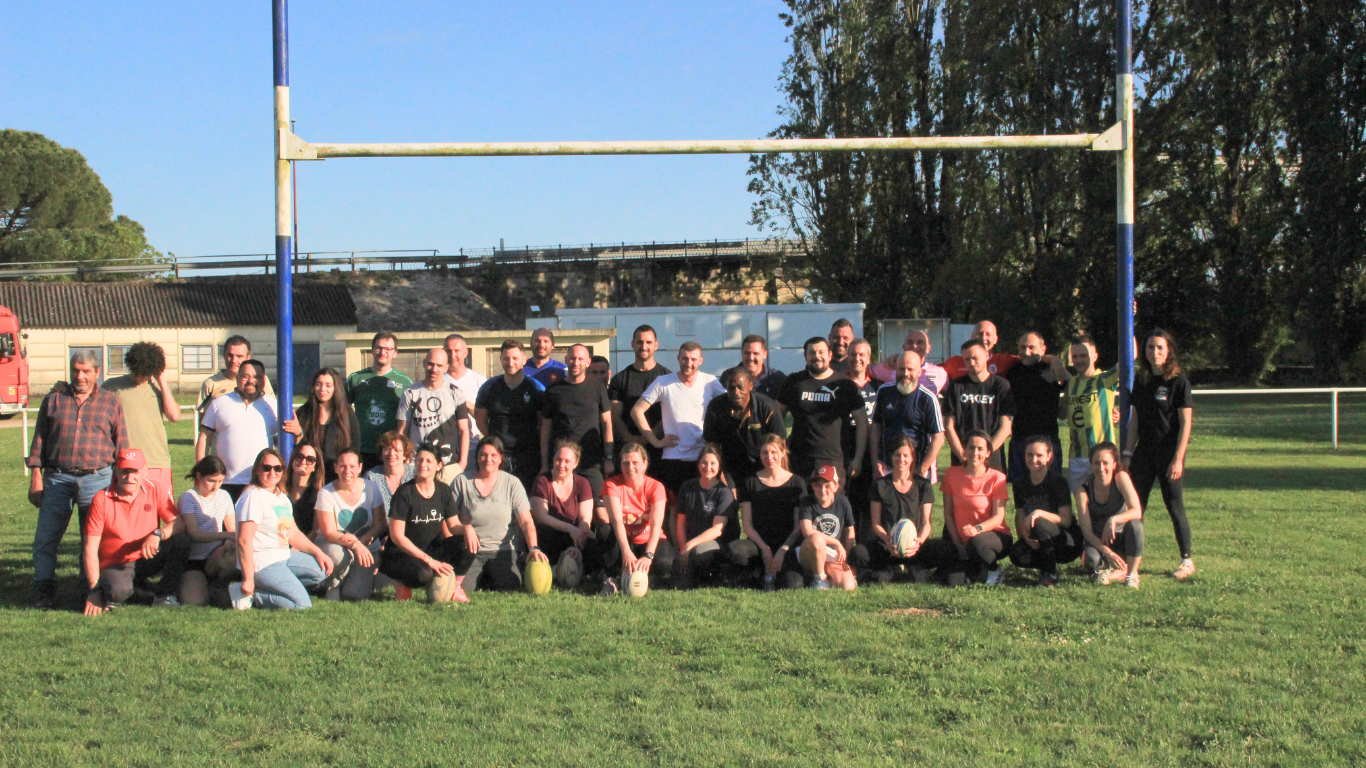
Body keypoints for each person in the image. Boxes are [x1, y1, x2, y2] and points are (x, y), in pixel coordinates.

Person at [27, 349, 129, 609]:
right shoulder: (53, 400)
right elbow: (39, 440)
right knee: (46, 538)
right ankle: (44, 590)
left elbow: (122, 445)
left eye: (86, 371)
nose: (80, 376)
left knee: (93, 540)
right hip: (57, 479)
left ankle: (89, 589)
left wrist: (121, 483)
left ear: (97, 373)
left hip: (98, 480)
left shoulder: (111, 402)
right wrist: (35, 477)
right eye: (75, 370)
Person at [81, 448, 191, 614]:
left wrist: (158, 534)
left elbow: (178, 523)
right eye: (125, 471)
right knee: (117, 594)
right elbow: (90, 548)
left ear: (145, 471)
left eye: (135, 472)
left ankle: (165, 594)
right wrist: (94, 591)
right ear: (116, 471)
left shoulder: (156, 489)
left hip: (146, 557)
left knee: (181, 541)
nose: (130, 478)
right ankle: (137, 592)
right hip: (116, 563)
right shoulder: (101, 499)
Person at [1125, 329, 1195, 579]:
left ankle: (1186, 560)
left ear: (1169, 351)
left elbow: (1185, 424)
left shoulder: (1178, 381)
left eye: (1160, 348)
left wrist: (1178, 458)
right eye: (1150, 348)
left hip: (1168, 454)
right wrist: (1127, 452)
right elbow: (1134, 421)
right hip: (1144, 452)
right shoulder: (1141, 381)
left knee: (1174, 506)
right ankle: (1130, 560)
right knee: (1136, 506)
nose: (1154, 352)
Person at [229, 448, 333, 610]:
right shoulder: (253, 496)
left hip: (283, 556)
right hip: (262, 563)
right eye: (267, 468)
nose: (272, 472)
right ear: (257, 470)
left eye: (278, 468)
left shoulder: (280, 496)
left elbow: (292, 533)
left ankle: (274, 585)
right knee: (301, 605)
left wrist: (318, 552)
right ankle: (253, 593)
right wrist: (248, 579)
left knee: (321, 572)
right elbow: (244, 541)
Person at [379, 444, 473, 603]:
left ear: (439, 465)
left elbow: (454, 526)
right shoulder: (404, 493)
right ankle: (402, 584)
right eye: (419, 460)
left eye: (429, 461)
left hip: (430, 549)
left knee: (470, 541)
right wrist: (429, 561)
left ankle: (455, 587)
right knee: (425, 574)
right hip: (401, 554)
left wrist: (467, 528)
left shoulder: (443, 490)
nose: (423, 464)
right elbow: (397, 537)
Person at [630, 342, 724, 498]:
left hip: (701, 458)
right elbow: (636, 411)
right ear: (678, 358)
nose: (689, 363)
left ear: (700, 361)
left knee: (702, 507)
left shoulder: (711, 382)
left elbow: (729, 406)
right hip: (673, 457)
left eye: (693, 359)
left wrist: (715, 440)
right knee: (675, 508)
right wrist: (655, 441)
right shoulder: (663, 382)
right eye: (685, 358)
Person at [450, 437, 544, 592]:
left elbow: (526, 521)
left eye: (494, 455)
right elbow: (449, 520)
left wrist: (533, 547)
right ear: (477, 457)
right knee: (462, 588)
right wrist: (460, 535)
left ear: (501, 458)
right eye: (483, 454)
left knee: (510, 586)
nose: (488, 459)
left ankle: (491, 574)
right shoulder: (462, 481)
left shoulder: (512, 483)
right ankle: (479, 575)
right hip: (472, 551)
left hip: (504, 550)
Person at [776, 337, 868, 484]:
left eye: (821, 352)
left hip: (835, 460)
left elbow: (862, 422)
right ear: (805, 356)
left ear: (829, 355)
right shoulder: (793, 382)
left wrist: (858, 458)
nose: (817, 356)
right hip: (799, 460)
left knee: (833, 506)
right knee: (800, 505)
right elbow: (777, 416)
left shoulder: (845, 385)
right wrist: (780, 450)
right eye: (812, 353)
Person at [862, 437, 952, 582]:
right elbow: (876, 524)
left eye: (906, 455)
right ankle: (892, 570)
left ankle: (916, 569)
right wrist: (887, 541)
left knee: (946, 549)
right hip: (888, 547)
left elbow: (926, 523)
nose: (901, 459)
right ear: (891, 457)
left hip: (915, 547)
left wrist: (919, 542)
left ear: (912, 458)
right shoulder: (880, 485)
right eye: (897, 455)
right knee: (858, 553)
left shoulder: (923, 485)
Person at [102, 341, 181, 498]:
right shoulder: (113, 387)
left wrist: (161, 380)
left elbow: (174, 416)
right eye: (137, 371)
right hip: (126, 462)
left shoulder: (158, 390)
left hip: (157, 462)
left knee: (165, 514)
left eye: (145, 372)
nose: (140, 376)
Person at [540, 343, 615, 506]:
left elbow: (607, 423)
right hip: (562, 463)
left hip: (592, 462)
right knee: (563, 509)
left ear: (588, 362)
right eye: (572, 358)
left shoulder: (598, 388)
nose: (576, 362)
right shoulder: (553, 391)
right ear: (566, 359)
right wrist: (545, 464)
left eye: (581, 359)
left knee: (599, 510)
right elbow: (545, 429)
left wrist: (608, 457)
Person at [197, 359, 278, 501]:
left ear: (264, 380)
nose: (251, 381)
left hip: (262, 484)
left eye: (257, 377)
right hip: (225, 483)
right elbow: (204, 438)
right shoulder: (219, 403)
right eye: (245, 376)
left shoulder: (274, 406)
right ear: (238, 378)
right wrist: (200, 472)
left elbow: (290, 438)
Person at [312, 449, 386, 601]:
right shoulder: (326, 493)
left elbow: (380, 524)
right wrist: (355, 545)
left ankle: (345, 580)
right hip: (334, 545)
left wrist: (361, 543)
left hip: (366, 548)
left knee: (355, 595)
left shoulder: (371, 488)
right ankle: (332, 584)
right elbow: (329, 532)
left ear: (360, 467)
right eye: (343, 466)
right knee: (336, 554)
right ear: (335, 468)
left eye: (352, 466)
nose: (347, 471)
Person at [1007, 436, 1081, 586]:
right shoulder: (1020, 483)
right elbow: (1020, 514)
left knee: (1039, 522)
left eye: (1039, 455)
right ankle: (1046, 566)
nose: (1034, 459)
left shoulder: (1058, 482)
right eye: (1029, 455)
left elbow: (1066, 520)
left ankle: (1050, 574)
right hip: (1038, 538)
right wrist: (1024, 537)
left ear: (1049, 456)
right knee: (1016, 554)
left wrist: (1039, 513)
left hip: (1065, 540)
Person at [600, 442, 672, 594]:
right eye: (626, 463)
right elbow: (617, 522)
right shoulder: (611, 484)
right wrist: (626, 551)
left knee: (665, 562)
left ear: (645, 464)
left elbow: (656, 525)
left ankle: (647, 577)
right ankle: (611, 578)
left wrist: (648, 555)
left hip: (647, 540)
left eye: (635, 463)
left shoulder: (656, 487)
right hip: (624, 541)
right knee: (604, 530)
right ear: (620, 465)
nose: (630, 467)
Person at [941, 430, 1012, 585]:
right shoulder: (951, 474)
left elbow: (998, 517)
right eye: (971, 447)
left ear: (987, 453)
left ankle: (994, 570)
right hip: (963, 539)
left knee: (977, 543)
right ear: (964, 450)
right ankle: (977, 569)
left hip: (994, 536)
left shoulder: (997, 478)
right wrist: (958, 544)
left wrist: (977, 529)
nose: (975, 452)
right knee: (954, 581)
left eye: (980, 449)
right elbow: (948, 513)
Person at [737, 435, 807, 591]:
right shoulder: (750, 482)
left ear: (783, 453)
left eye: (774, 452)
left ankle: (774, 573)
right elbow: (747, 524)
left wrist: (782, 550)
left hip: (787, 545)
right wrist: (764, 549)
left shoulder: (797, 483)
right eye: (765, 452)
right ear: (759, 454)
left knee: (792, 585)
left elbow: (798, 527)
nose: (769, 457)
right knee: (737, 552)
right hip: (759, 544)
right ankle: (761, 572)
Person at [475, 340, 546, 490]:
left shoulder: (536, 388)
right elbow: (480, 420)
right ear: (500, 359)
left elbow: (543, 423)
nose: (510, 362)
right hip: (498, 457)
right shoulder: (489, 388)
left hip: (528, 456)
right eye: (506, 358)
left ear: (524, 360)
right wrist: (495, 441)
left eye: (515, 358)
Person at [529, 441, 603, 582]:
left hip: (576, 536)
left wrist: (577, 545)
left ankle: (580, 568)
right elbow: (540, 515)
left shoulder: (582, 483)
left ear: (575, 463)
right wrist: (570, 529)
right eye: (558, 460)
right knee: (541, 531)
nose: (561, 465)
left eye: (567, 461)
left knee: (594, 542)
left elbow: (585, 519)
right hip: (553, 534)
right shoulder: (542, 481)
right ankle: (551, 569)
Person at [396, 348, 470, 484]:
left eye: (439, 365)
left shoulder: (456, 393)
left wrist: (462, 463)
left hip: (449, 465)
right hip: (417, 464)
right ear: (424, 363)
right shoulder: (410, 393)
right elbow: (402, 431)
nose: (434, 369)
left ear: (446, 367)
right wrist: (404, 458)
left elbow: (463, 430)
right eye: (430, 364)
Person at [871, 350, 944, 483]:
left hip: (916, 469)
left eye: (910, 369)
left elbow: (938, 438)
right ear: (896, 370)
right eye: (901, 369)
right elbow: (875, 427)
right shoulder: (884, 392)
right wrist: (876, 460)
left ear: (919, 372)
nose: (905, 374)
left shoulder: (927, 399)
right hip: (887, 467)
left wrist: (923, 468)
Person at [702, 368, 786, 483]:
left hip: (762, 469)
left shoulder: (767, 407)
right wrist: (719, 477)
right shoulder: (716, 407)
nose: (736, 392)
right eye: (731, 387)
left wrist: (779, 478)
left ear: (750, 385)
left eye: (740, 387)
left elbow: (780, 445)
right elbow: (711, 446)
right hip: (729, 471)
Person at [1078, 442, 1144, 589]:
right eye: (1096, 463)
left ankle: (1131, 574)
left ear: (1114, 464)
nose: (1101, 468)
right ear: (1091, 465)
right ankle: (1108, 569)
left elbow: (1137, 511)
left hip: (1120, 538)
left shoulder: (1121, 478)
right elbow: (1087, 532)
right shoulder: (1083, 490)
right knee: (1090, 560)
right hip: (1098, 542)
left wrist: (1114, 519)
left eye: (1105, 463)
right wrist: (1108, 553)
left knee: (1135, 525)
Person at [942, 339, 1015, 471]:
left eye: (975, 358)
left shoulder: (1001, 386)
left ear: (986, 355)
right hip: (962, 459)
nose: (971, 363)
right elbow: (948, 426)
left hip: (992, 458)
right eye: (967, 359)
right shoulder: (956, 386)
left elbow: (1006, 427)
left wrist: (985, 454)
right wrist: (963, 455)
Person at [1063, 334, 1121, 500]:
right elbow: (1064, 412)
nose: (1079, 360)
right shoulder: (1071, 383)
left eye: (1083, 355)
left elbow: (1128, 359)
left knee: (1105, 500)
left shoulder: (1104, 379)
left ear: (1095, 356)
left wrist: (1129, 317)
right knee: (1082, 503)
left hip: (1104, 454)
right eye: (1075, 356)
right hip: (1077, 456)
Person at [176, 455, 238, 607]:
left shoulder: (224, 496)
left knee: (234, 554)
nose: (216, 486)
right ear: (199, 476)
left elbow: (232, 529)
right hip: (194, 559)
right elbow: (194, 533)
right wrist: (226, 535)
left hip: (216, 554)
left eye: (220, 481)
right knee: (196, 602)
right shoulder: (188, 498)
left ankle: (221, 585)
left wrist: (229, 542)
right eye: (211, 481)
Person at [345, 331, 412, 471]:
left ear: (395, 353)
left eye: (388, 349)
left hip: (390, 452)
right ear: (372, 350)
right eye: (379, 348)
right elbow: (340, 409)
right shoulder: (355, 379)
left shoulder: (405, 382)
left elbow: (409, 420)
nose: (383, 352)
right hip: (361, 449)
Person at [673, 444, 738, 588]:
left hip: (714, 542)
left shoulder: (724, 492)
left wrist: (690, 545)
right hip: (689, 543)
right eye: (704, 462)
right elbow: (680, 523)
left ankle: (715, 575)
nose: (708, 467)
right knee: (678, 582)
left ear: (719, 465)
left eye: (713, 463)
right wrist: (683, 547)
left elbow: (717, 530)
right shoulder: (687, 487)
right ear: (698, 464)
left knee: (699, 554)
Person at [1005, 332, 1066, 481]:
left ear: (1043, 349)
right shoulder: (1012, 371)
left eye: (1032, 347)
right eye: (1022, 347)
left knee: (1052, 485)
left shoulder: (1052, 370)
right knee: (1019, 487)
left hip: (1047, 437)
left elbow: (1074, 387)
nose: (1026, 352)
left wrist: (1055, 361)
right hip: (1020, 437)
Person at [282, 368, 361, 483]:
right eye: (318, 384)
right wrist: (299, 434)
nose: (322, 389)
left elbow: (355, 447)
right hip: (309, 478)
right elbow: (295, 449)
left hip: (337, 478)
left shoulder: (347, 415)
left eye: (328, 385)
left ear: (335, 388)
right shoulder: (304, 413)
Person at [609, 325, 671, 469]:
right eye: (639, 342)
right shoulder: (620, 379)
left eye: (648, 342)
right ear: (632, 344)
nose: (644, 346)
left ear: (656, 345)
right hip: (628, 451)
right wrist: (632, 440)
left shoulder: (668, 378)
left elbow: (670, 414)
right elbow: (615, 417)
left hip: (660, 449)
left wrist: (647, 439)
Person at [795, 464, 858, 590]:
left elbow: (850, 530)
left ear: (836, 486)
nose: (822, 490)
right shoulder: (807, 502)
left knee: (848, 586)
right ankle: (820, 580)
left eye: (827, 485)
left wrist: (846, 556)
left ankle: (831, 577)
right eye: (817, 485)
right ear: (812, 486)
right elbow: (807, 531)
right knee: (816, 539)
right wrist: (836, 542)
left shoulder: (843, 502)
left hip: (832, 553)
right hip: (810, 550)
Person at [841, 338, 881, 536]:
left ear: (869, 357)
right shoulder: (839, 383)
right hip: (844, 446)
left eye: (861, 354)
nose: (857, 358)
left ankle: (866, 548)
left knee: (869, 499)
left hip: (870, 449)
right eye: (853, 354)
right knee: (846, 498)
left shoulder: (878, 385)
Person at [445, 334, 488, 474]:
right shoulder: (438, 380)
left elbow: (488, 418)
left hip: (472, 449)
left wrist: (466, 406)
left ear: (465, 353)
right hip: (445, 450)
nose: (453, 355)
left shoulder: (480, 382)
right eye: (448, 351)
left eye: (456, 351)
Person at [198, 335, 274, 413]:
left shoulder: (261, 380)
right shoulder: (210, 383)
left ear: (248, 358)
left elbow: (273, 410)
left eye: (239, 356)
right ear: (224, 355)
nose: (233, 360)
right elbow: (203, 419)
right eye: (230, 355)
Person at [870, 329, 948, 394]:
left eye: (920, 342)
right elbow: (863, 371)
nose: (914, 346)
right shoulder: (888, 367)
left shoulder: (940, 373)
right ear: (904, 347)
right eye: (910, 342)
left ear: (928, 348)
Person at [942, 320, 1019, 379]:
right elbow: (932, 371)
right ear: (972, 336)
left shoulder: (1005, 360)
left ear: (995, 339)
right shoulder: (954, 362)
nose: (983, 338)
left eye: (988, 334)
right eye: (979, 334)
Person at [364, 430, 416, 517]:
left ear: (405, 454)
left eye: (396, 450)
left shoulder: (415, 475)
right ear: (381, 454)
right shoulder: (371, 477)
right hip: (381, 528)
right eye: (387, 449)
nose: (391, 454)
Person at [719, 334, 786, 400]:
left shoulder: (777, 379)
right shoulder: (728, 377)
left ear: (765, 354)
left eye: (756, 353)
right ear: (742, 353)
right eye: (747, 353)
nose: (751, 358)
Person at [283, 444, 323, 536]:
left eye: (310, 459)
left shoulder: (318, 495)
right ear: (293, 459)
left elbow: (315, 531)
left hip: (304, 546)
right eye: (299, 456)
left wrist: (299, 547)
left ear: (315, 467)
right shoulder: (279, 489)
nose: (303, 461)